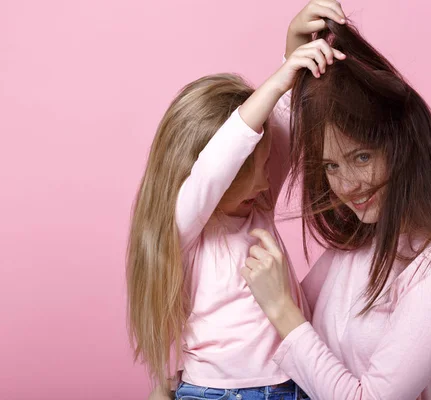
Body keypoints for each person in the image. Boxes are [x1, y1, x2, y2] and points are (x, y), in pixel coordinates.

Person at [242, 6, 431, 400]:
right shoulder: (361, 244)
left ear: (403, 148)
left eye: (361, 157)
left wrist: (283, 310)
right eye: (331, 165)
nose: (346, 185)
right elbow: (249, 181)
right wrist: (290, 69)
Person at [127, 2, 348, 398]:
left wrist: (296, 40)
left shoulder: (256, 208)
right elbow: (217, 163)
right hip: (219, 394)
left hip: (291, 385)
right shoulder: (184, 224)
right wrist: (277, 81)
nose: (269, 183)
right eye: (257, 170)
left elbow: (283, 115)